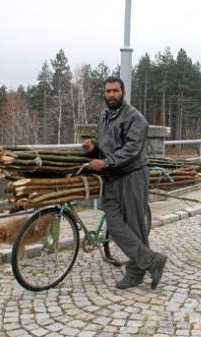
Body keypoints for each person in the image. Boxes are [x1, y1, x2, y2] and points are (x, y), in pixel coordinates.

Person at [83, 77, 168, 290]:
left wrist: (105, 162)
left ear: (123, 92)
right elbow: (107, 145)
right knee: (114, 224)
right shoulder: (104, 116)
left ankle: (135, 273)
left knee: (135, 226)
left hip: (132, 176)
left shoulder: (135, 118)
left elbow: (132, 149)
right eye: (108, 91)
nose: (111, 95)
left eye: (115, 91)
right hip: (112, 177)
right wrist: (93, 148)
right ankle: (151, 261)